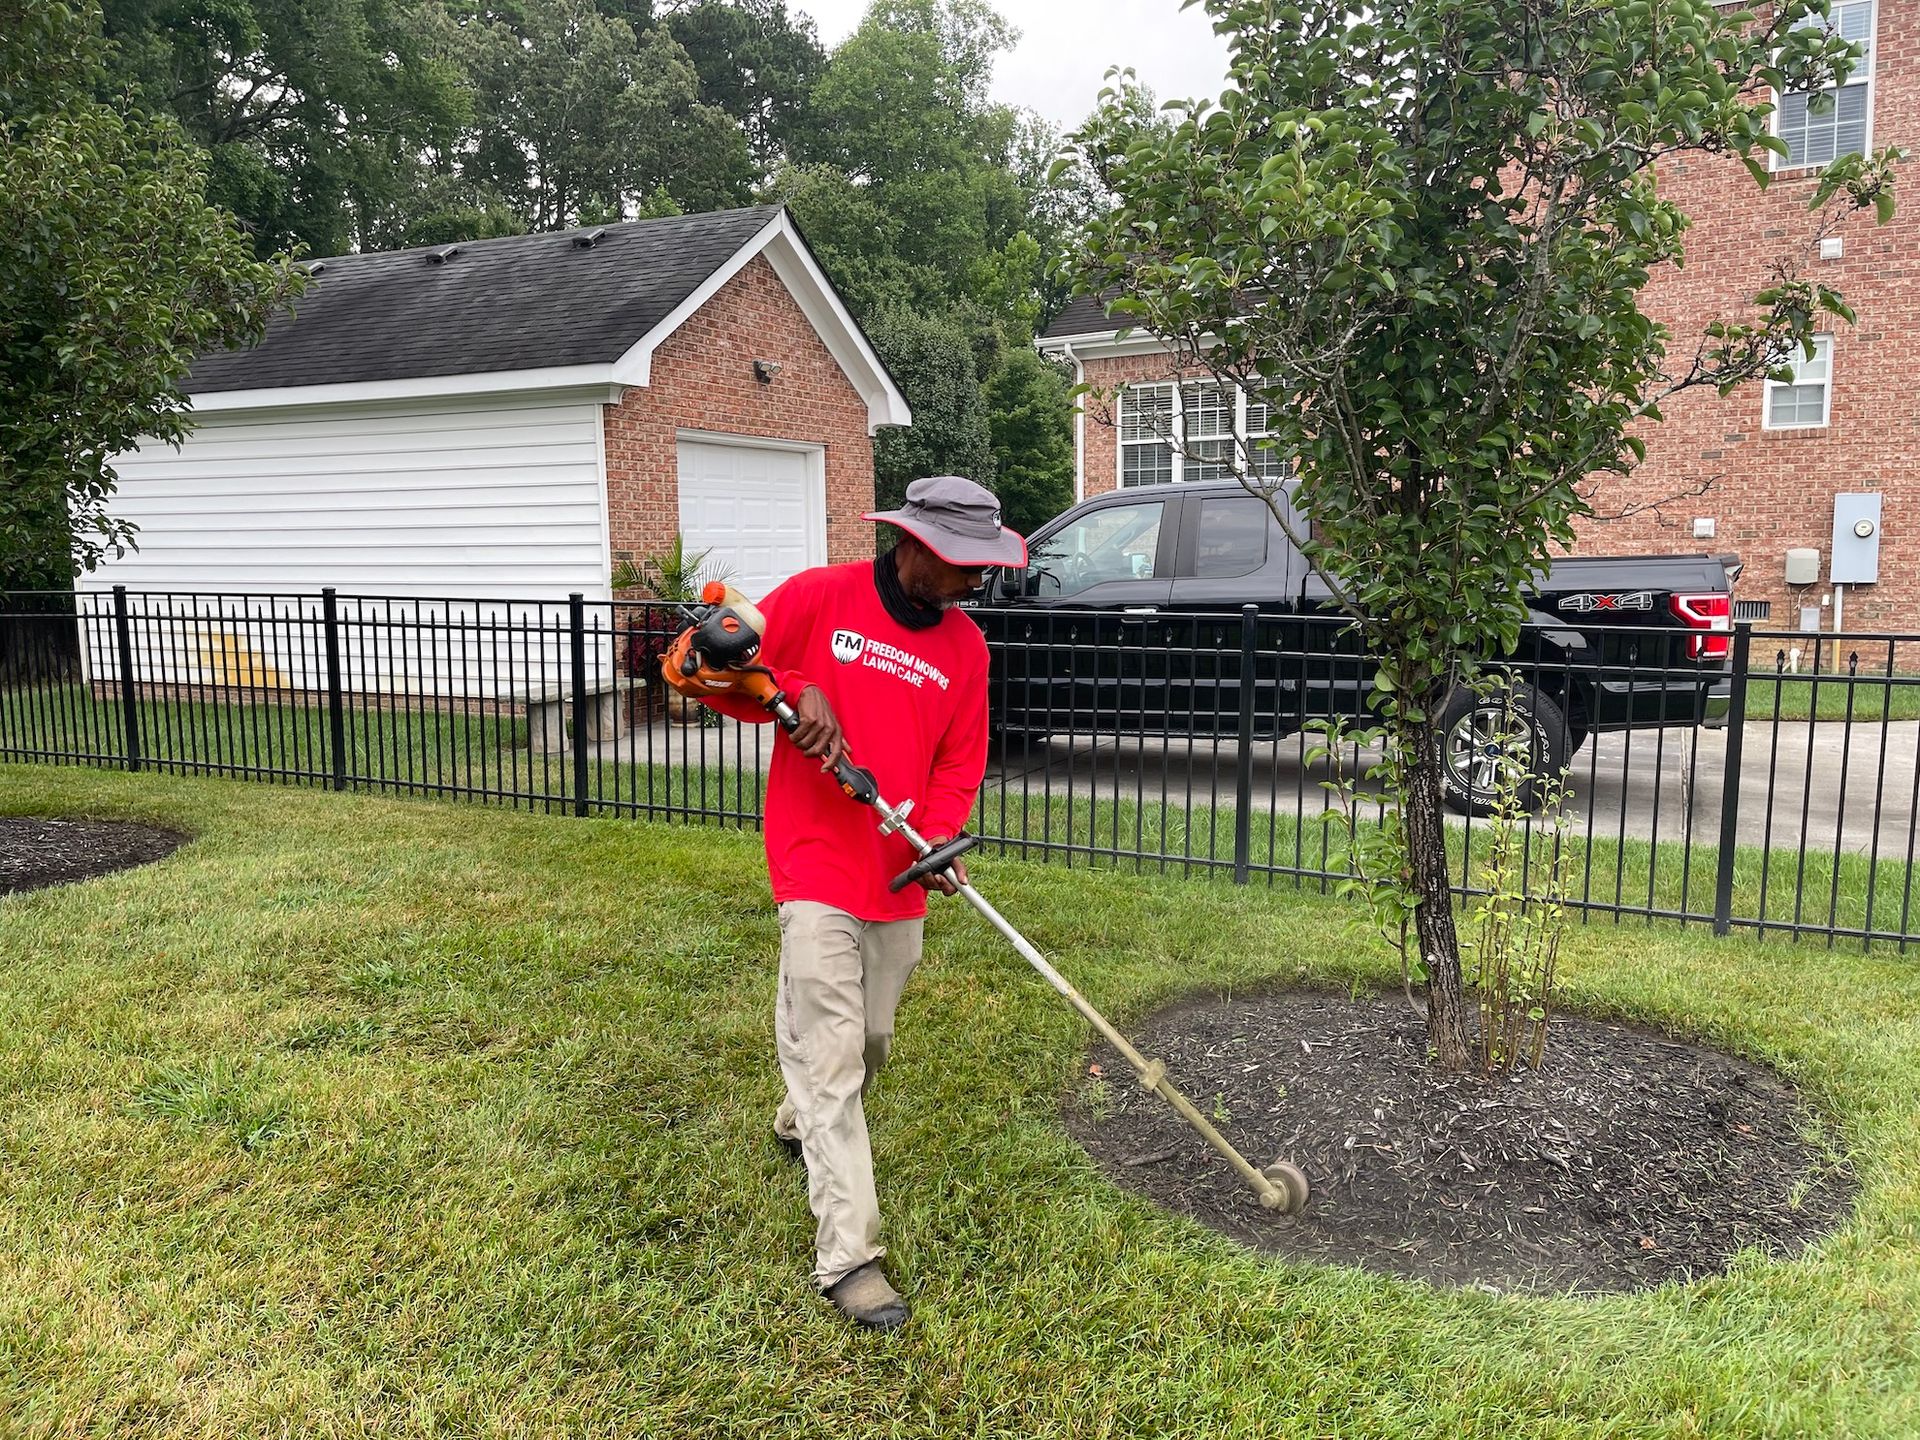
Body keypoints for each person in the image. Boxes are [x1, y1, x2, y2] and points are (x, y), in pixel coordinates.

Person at [698, 475, 1027, 1331]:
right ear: (913, 545)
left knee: (867, 1042)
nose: (975, 582)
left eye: (982, 568)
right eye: (963, 566)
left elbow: (960, 760)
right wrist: (797, 687)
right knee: (837, 1054)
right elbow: (713, 668)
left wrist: (939, 839)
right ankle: (850, 1258)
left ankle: (796, 1115)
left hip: (896, 870)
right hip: (813, 864)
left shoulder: (966, 650)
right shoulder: (820, 595)